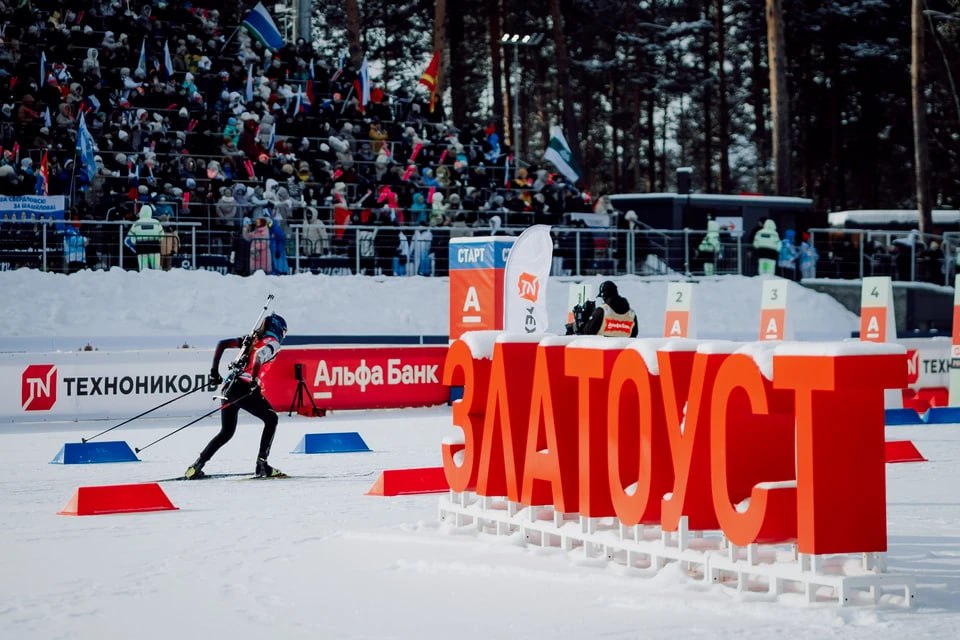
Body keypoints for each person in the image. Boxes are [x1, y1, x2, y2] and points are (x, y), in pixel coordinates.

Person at [185, 313, 289, 479]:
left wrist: (214, 371)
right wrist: (254, 380)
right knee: (271, 419)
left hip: (229, 386)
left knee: (226, 432)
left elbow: (222, 344)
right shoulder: (273, 343)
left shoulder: (251, 339)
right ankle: (262, 465)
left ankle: (196, 466)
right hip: (243, 387)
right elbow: (259, 357)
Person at [125, 204, 163, 270]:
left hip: (141, 247)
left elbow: (131, 237)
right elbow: (162, 236)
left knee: (143, 269)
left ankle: (144, 279)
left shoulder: (136, 223)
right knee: (156, 269)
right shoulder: (156, 222)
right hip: (155, 247)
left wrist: (134, 242)